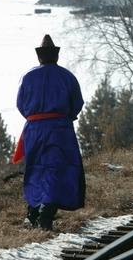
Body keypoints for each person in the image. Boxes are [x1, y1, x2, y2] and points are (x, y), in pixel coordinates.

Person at [12, 34, 85, 230]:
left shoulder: (28, 77)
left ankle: (34, 210)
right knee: (58, 169)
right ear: (56, 57)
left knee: (36, 168)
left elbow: (21, 104)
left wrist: (34, 118)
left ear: (40, 57)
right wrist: (65, 117)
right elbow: (77, 103)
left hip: (34, 130)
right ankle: (46, 212)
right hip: (60, 130)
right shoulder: (67, 76)